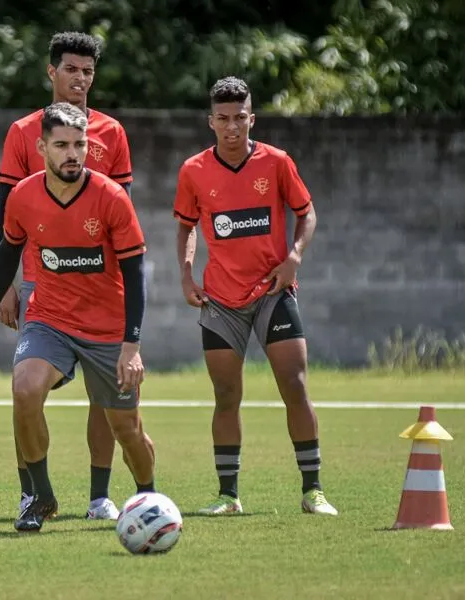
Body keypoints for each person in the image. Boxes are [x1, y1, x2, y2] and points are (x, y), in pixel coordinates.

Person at [0, 102, 156, 532]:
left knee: (129, 432)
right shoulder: (24, 196)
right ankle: (40, 496)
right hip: (49, 319)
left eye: (79, 144)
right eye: (62, 145)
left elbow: (134, 274)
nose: (72, 153)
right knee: (25, 388)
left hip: (108, 329)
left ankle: (151, 496)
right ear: (43, 147)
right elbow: (6, 255)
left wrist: (132, 346)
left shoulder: (111, 198)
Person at [173, 76, 338, 516]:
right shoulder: (193, 170)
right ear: (211, 122)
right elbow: (186, 227)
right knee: (226, 395)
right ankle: (228, 495)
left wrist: (295, 256)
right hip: (221, 300)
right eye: (223, 119)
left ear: (252, 118)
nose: (232, 127)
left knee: (295, 385)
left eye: (240, 118)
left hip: (273, 292)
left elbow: (307, 213)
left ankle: (313, 490)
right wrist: (187, 276)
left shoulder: (277, 162)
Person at [0, 31, 134, 520]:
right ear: (50, 72)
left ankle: (100, 496)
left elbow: (123, 219)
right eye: (71, 69)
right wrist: (7, 286)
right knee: (25, 390)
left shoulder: (112, 135)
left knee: (105, 395)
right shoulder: (22, 133)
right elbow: (5, 220)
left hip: (101, 290)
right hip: (39, 284)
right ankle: (32, 492)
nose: (80, 78)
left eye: (88, 71)